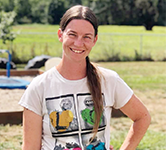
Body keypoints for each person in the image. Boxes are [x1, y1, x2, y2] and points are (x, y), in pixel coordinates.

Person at [19, 5, 151, 150]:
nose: (78, 43)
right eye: (72, 34)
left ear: (94, 40)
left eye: (86, 37)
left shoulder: (108, 80)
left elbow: (142, 117)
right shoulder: (38, 87)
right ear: (60, 35)